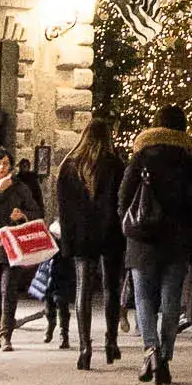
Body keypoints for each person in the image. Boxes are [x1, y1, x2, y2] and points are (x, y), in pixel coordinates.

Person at [118, 105, 192, 383]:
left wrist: (130, 225)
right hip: (177, 241)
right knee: (170, 300)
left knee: (144, 298)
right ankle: (165, 358)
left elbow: (123, 198)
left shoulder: (141, 156)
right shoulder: (189, 162)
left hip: (142, 240)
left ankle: (150, 351)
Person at [56, 130, 127, 368]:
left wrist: (67, 240)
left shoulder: (69, 166)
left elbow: (64, 210)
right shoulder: (116, 165)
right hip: (110, 234)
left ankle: (85, 347)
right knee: (111, 288)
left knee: (83, 290)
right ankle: (111, 341)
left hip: (82, 237)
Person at [0, 148, 46, 350]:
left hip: (13, 247)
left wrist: (22, 215)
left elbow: (37, 211)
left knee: (8, 291)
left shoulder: (19, 187)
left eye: (6, 164)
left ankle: (6, 335)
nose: (3, 168)